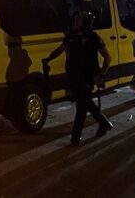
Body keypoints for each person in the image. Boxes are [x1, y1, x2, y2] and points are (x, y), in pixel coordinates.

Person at [43, 10, 113, 146]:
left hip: (88, 77)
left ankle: (75, 138)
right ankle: (104, 123)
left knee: (81, 107)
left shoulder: (93, 38)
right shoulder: (71, 37)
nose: (74, 23)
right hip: (74, 76)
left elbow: (107, 57)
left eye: (78, 21)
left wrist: (101, 75)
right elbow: (60, 50)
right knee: (87, 103)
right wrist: (48, 59)